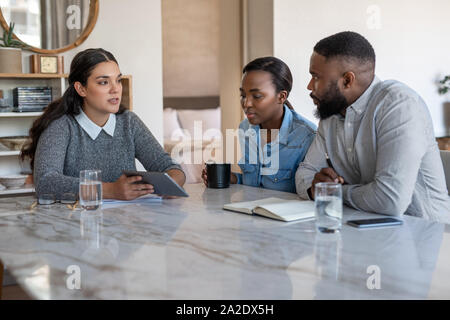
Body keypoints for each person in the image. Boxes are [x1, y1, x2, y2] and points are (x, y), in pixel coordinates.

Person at [295, 31, 450, 222]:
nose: (310, 86)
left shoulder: (399, 104)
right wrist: (314, 189)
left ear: (347, 80)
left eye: (316, 77)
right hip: (364, 227)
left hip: (426, 234)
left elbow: (390, 200)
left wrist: (334, 192)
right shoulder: (330, 116)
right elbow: (304, 174)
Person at [21, 48, 185, 201]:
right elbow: (45, 182)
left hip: (124, 224)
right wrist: (110, 190)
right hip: (75, 225)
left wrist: (171, 183)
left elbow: (169, 166)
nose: (116, 89)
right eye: (103, 82)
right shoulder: (61, 126)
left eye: (118, 80)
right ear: (81, 89)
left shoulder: (129, 121)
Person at [202, 57, 316, 193]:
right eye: (243, 95)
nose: (246, 103)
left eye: (256, 96)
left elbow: (309, 190)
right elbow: (256, 182)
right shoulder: (245, 128)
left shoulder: (307, 136)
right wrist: (233, 178)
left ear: (281, 96)